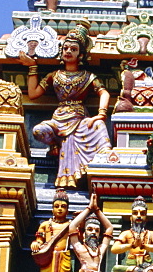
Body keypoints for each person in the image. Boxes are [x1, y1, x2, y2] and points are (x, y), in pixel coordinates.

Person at [19, 21, 111, 188]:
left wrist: (101, 114)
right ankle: (55, 143)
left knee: (98, 125)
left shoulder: (87, 76)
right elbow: (33, 94)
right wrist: (32, 67)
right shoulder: (54, 76)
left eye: (73, 49)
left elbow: (104, 92)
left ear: (81, 55)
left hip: (79, 119)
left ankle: (102, 160)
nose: (68, 51)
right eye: (66, 48)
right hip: (58, 119)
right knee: (38, 130)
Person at [31, 191, 74, 272]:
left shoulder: (70, 225)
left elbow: (76, 240)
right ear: (52, 209)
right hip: (48, 256)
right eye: (56, 206)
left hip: (64, 256)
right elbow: (39, 239)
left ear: (67, 210)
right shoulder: (45, 225)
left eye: (63, 206)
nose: (60, 209)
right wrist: (36, 243)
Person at [68, 194, 116, 272]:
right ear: (84, 233)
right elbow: (72, 226)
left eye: (97, 230)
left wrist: (97, 209)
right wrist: (89, 208)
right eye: (90, 229)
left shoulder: (100, 250)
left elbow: (109, 228)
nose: (93, 232)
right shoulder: (80, 248)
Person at [111, 197, 153, 272]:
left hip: (147, 265)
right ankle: (138, 271)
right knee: (116, 268)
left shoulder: (151, 234)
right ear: (131, 218)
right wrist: (132, 245)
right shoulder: (126, 233)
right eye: (135, 213)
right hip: (131, 266)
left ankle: (141, 271)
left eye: (142, 213)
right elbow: (114, 249)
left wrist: (143, 246)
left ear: (146, 219)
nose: (139, 216)